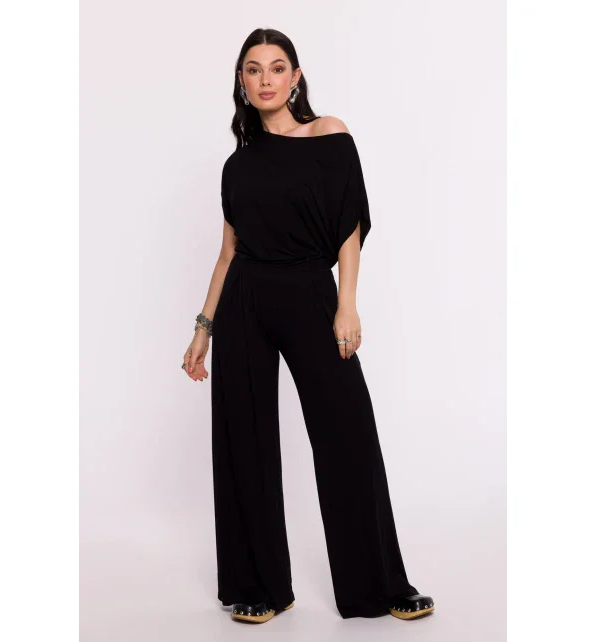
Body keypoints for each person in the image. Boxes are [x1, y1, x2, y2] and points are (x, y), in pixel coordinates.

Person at [182, 28, 435, 623]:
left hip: (310, 294)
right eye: (253, 69)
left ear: (295, 77)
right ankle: (261, 587)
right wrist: (203, 328)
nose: (265, 79)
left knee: (347, 432)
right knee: (243, 441)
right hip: (244, 301)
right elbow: (228, 253)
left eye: (277, 67)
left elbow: (349, 226)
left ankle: (380, 586)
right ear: (242, 83)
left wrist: (347, 303)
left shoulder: (329, 135)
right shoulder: (237, 165)